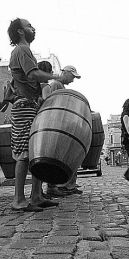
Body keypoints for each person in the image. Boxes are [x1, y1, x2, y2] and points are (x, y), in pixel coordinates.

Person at [7, 18, 69, 212]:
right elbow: (33, 75)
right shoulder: (22, 50)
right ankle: (18, 199)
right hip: (24, 106)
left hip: (30, 105)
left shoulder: (23, 51)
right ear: (20, 31)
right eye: (28, 26)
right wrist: (57, 77)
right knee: (25, 154)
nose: (33, 28)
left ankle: (36, 196)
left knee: (36, 152)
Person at [42, 64, 83, 196]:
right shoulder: (55, 85)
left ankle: (68, 185)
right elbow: (51, 104)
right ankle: (59, 186)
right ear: (65, 73)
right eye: (72, 77)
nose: (73, 80)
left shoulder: (61, 86)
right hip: (57, 127)